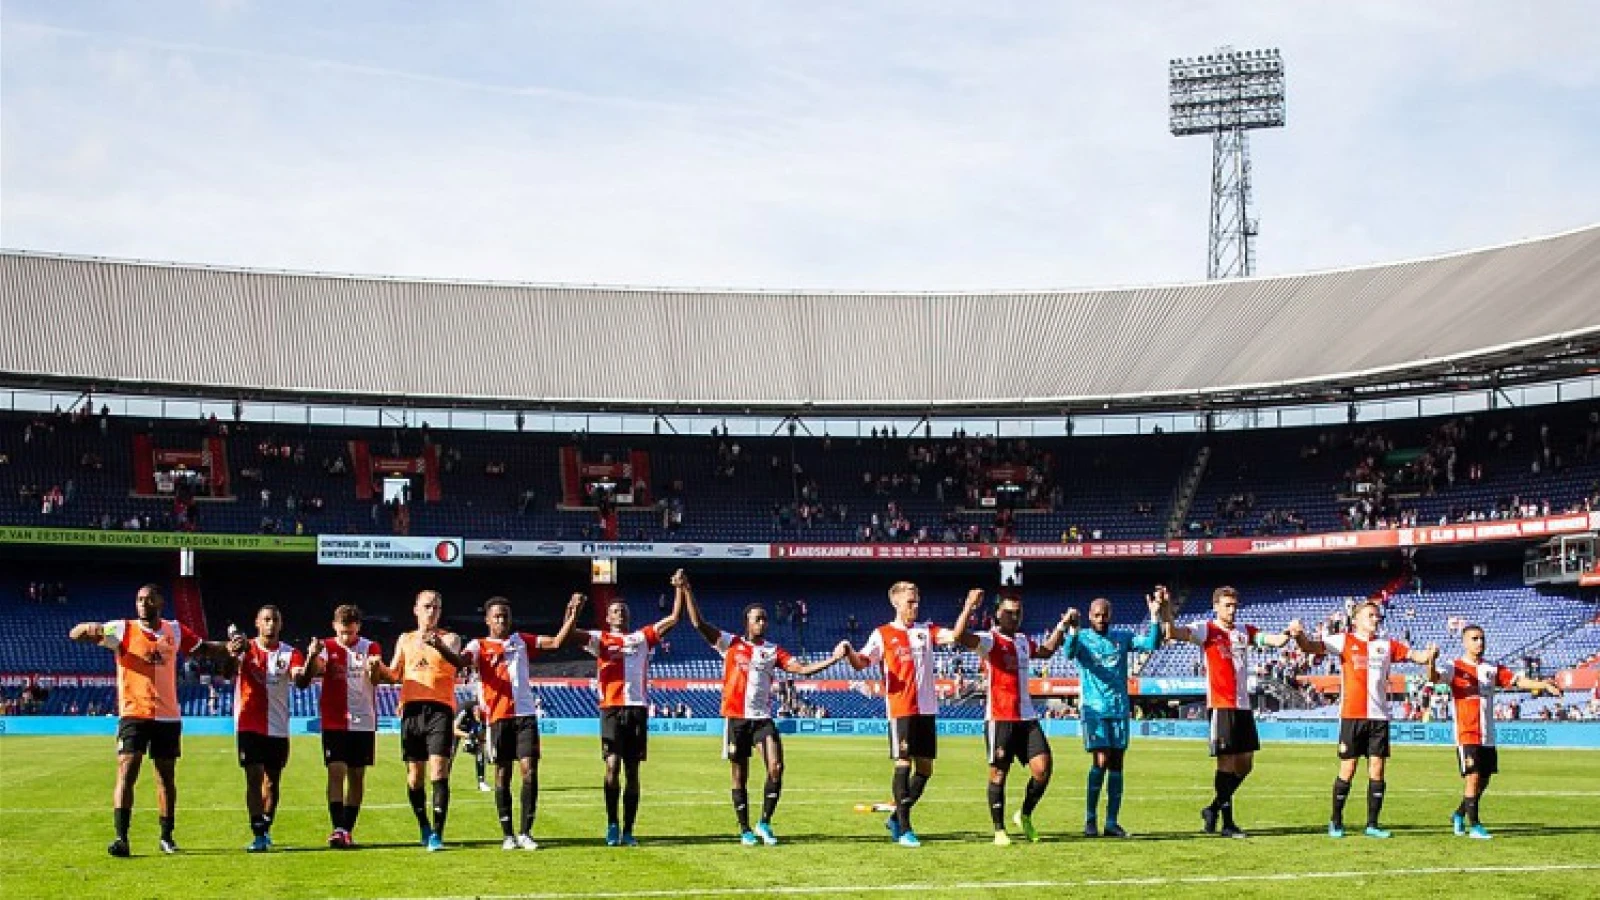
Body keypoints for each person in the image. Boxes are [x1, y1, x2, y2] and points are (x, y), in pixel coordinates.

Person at [677, 569, 846, 846]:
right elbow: (698, 622)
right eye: (758, 619)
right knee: (739, 775)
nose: (763, 622)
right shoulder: (730, 644)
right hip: (736, 718)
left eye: (765, 618)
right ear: (747, 623)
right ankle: (744, 829)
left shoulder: (773, 650)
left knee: (776, 767)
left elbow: (801, 669)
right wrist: (686, 589)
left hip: (762, 719)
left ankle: (764, 823)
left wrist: (833, 659)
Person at [68, 584, 233, 857]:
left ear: (160, 603)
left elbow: (204, 649)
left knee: (165, 778)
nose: (143, 604)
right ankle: (121, 837)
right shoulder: (122, 629)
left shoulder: (175, 630)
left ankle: (167, 836)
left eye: (149, 599)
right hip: (134, 714)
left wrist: (229, 647)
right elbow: (77, 634)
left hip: (167, 716)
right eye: (139, 599)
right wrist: (88, 628)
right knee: (127, 771)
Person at [1289, 601, 1438, 838]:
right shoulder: (1343, 640)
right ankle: (1336, 821)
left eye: (1377, 616)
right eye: (1370, 615)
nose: (1375, 619)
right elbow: (1309, 646)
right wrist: (1298, 636)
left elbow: (1417, 656)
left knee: (1377, 770)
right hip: (1352, 715)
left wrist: (1430, 655)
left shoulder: (1387, 645)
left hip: (1379, 717)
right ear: (1356, 619)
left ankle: (1372, 824)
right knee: (1348, 768)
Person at [842, 582, 970, 848]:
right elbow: (861, 663)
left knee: (925, 769)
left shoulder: (926, 631)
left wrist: (968, 606)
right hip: (901, 709)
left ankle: (895, 819)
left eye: (916, 601)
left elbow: (956, 636)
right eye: (910, 602)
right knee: (903, 763)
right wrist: (848, 652)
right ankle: (904, 827)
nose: (915, 606)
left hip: (927, 709)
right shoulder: (883, 634)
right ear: (896, 603)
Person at [1163, 586, 1295, 838]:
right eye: (1227, 605)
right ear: (1216, 606)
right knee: (1226, 763)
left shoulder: (1245, 632)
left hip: (1243, 706)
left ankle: (1212, 809)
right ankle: (1227, 823)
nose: (1232, 610)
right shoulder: (1206, 629)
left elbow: (1275, 641)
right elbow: (1173, 632)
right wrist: (1167, 611)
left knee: (1245, 765)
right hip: (1221, 705)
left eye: (1235, 605)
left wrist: (1289, 632)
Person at [948, 590, 1073, 845]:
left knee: (1043, 769)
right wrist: (969, 607)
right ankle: (999, 830)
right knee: (998, 774)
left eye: (1018, 612)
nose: (1014, 617)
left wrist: (1063, 625)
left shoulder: (1024, 641)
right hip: (1000, 717)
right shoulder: (989, 640)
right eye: (1009, 613)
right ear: (998, 614)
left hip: (1026, 717)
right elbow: (960, 636)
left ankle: (1024, 815)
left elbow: (1048, 650)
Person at [462, 593, 585, 851]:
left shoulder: (522, 641)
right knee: (502, 774)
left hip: (526, 716)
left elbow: (555, 643)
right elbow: (460, 661)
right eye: (496, 616)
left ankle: (526, 832)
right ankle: (507, 834)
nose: (501, 620)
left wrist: (572, 615)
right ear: (487, 620)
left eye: (505, 616)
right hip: (498, 718)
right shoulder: (478, 646)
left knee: (530, 771)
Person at [1428, 625, 1561, 839]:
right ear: (1464, 642)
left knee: (1484, 780)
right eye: (1474, 638)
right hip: (1467, 733)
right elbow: (1434, 677)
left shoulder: (1492, 668)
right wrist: (1431, 661)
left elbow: (1518, 681)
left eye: (1482, 638)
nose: (1479, 642)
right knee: (1473, 778)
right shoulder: (1454, 667)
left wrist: (1543, 684)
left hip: (1487, 734)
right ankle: (1476, 826)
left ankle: (1459, 814)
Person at [1059, 588, 1165, 838]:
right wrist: (1072, 629)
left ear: (1111, 615)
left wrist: (1154, 617)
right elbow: (1069, 652)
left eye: (1105, 614)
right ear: (1090, 616)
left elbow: (1151, 644)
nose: (1101, 618)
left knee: (1117, 764)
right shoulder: (1082, 637)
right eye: (1097, 615)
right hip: (1094, 710)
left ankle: (1111, 822)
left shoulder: (1122, 637)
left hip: (1119, 708)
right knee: (1101, 761)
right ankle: (1090, 820)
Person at [584, 583, 684, 846]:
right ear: (608, 617)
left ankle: (628, 829)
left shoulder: (642, 637)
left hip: (637, 709)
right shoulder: (600, 639)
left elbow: (673, 619)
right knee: (612, 765)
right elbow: (570, 635)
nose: (620, 614)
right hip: (611, 709)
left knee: (632, 771)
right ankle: (612, 824)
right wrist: (573, 611)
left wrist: (680, 590)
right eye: (615, 611)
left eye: (624, 610)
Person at [370, 589, 467, 851]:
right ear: (415, 609)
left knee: (438, 771)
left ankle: (437, 833)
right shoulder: (405, 639)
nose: (431, 611)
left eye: (436, 607)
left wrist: (438, 644)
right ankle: (423, 824)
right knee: (415, 777)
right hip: (412, 709)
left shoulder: (451, 638)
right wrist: (377, 667)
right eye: (427, 606)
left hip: (440, 709)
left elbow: (456, 661)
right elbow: (393, 675)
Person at [297, 604, 381, 848]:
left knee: (356, 775)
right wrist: (312, 655)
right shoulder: (326, 647)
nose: (347, 638)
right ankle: (338, 827)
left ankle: (347, 828)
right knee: (336, 772)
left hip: (363, 720)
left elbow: (376, 680)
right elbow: (314, 672)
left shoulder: (370, 647)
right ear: (335, 627)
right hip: (334, 719)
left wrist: (374, 669)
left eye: (351, 633)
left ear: (358, 628)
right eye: (343, 632)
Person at [228, 605, 307, 852]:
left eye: (275, 620)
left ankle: (266, 826)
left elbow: (300, 679)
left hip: (278, 726)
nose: (270, 624)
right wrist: (231, 654)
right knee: (253, 778)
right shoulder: (245, 649)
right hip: (249, 724)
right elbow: (227, 672)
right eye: (266, 620)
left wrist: (312, 658)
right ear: (257, 623)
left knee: (272, 782)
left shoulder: (291, 653)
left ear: (280, 624)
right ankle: (258, 832)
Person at [453, 702, 489, 792]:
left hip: (470, 728)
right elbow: (453, 729)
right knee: (450, 752)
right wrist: (468, 736)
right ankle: (444, 780)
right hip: (457, 727)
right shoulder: (464, 710)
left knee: (480, 749)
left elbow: (482, 735)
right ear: (475, 710)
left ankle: (481, 782)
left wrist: (478, 740)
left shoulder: (485, 715)